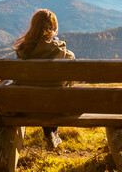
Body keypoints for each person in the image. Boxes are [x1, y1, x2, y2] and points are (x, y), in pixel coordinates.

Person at [13, 9, 75, 148]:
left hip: (26, 107)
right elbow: (68, 84)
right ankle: (52, 133)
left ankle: (51, 134)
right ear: (54, 28)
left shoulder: (23, 52)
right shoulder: (66, 55)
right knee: (50, 97)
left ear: (33, 27)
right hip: (57, 108)